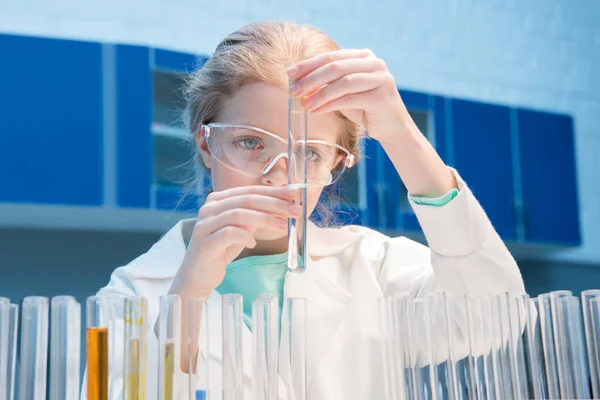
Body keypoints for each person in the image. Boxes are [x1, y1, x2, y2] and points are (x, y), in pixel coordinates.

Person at [85, 20, 526, 399]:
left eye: (309, 154)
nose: (278, 177)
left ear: (337, 162)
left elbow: (493, 317)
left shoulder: (375, 268)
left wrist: (400, 132)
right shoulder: (132, 293)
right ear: (207, 142)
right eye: (251, 143)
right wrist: (187, 296)